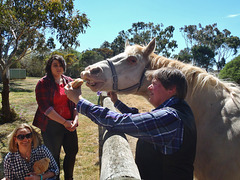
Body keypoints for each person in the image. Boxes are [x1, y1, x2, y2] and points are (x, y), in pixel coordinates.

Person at [65, 67, 197, 180]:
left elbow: (120, 122)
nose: (149, 87)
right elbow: (143, 120)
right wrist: (116, 102)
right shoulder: (181, 110)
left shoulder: (170, 117)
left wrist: (79, 100)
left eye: (155, 83)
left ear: (171, 89)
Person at [33, 54, 78, 180]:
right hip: (51, 126)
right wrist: (64, 122)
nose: (58, 68)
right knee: (53, 156)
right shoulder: (43, 83)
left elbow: (75, 103)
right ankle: (55, 178)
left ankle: (69, 178)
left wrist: (75, 120)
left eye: (61, 65)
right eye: (55, 65)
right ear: (50, 67)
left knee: (72, 151)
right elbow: (46, 109)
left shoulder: (69, 81)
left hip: (69, 124)